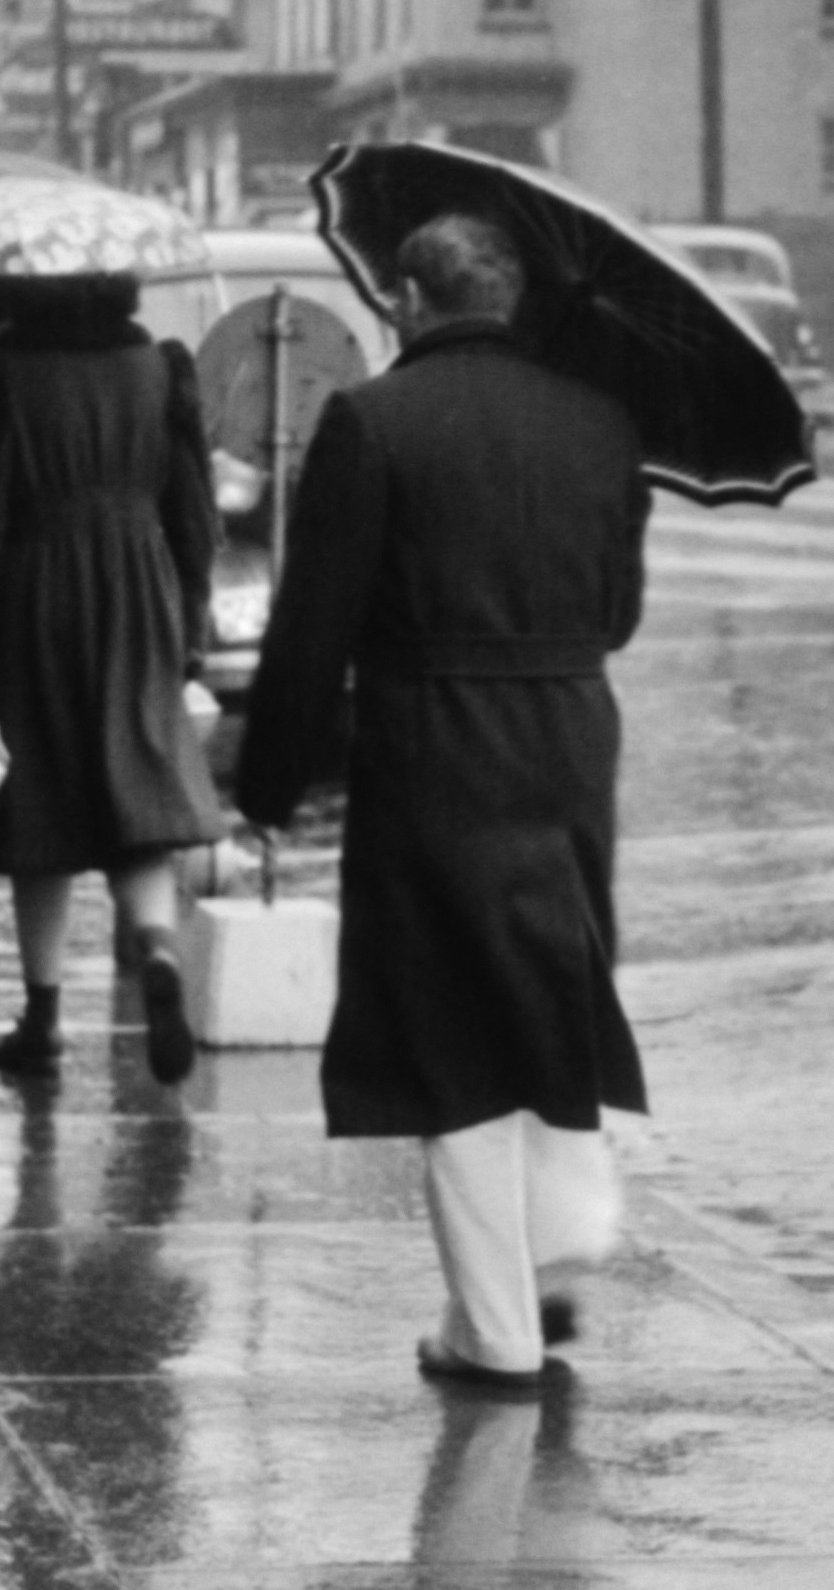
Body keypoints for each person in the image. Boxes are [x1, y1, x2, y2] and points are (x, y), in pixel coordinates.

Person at [234, 212, 653, 1393]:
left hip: (431, 746)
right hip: (569, 738)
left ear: (413, 300)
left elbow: (314, 628)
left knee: (451, 1027)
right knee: (551, 982)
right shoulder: (600, 422)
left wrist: (267, 785)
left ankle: (492, 1326)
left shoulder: (371, 423)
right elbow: (618, 611)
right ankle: (562, 1228)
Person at [0, 270, 221, 1087]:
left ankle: (43, 1018)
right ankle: (159, 949)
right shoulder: (161, 364)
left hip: (36, 592)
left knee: (40, 806)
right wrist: (190, 626)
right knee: (138, 785)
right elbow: (194, 512)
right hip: (141, 590)